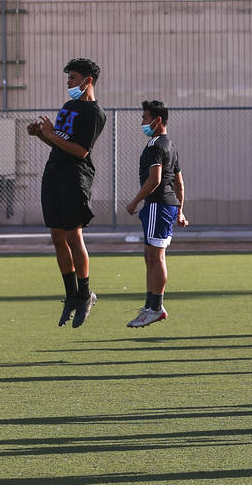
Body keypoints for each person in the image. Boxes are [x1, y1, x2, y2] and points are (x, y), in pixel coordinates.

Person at [26, 58, 107, 329]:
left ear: (88, 81)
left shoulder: (94, 113)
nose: (69, 82)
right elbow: (59, 141)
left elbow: (81, 150)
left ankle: (86, 295)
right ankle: (71, 296)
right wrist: (40, 134)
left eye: (73, 77)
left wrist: (51, 134)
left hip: (75, 176)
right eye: (68, 77)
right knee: (57, 236)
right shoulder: (69, 106)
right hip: (54, 174)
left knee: (74, 235)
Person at [124, 100, 188, 327]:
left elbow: (156, 179)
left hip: (157, 205)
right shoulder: (170, 145)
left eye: (145, 118)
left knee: (156, 255)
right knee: (150, 255)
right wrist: (180, 211)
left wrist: (134, 201)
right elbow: (179, 182)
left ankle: (156, 307)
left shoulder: (155, 146)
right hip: (165, 206)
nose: (142, 123)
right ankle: (150, 304)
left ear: (157, 120)